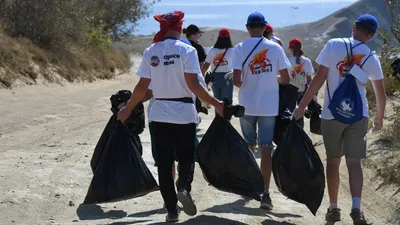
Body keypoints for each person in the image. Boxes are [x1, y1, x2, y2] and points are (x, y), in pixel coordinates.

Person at [117, 10, 224, 223]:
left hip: (159, 115)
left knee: (164, 164)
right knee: (186, 157)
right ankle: (183, 187)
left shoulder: (151, 51)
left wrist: (128, 108)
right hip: (183, 114)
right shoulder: (187, 51)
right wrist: (216, 103)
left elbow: (141, 88)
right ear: (180, 29)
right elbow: (194, 85)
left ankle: (172, 210)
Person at [293, 14, 386, 225]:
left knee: (333, 162)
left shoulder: (334, 45)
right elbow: (380, 94)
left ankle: (334, 208)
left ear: (354, 27)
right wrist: (378, 119)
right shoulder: (371, 57)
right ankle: (356, 208)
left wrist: (301, 106)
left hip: (331, 114)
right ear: (370, 35)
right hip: (358, 114)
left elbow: (318, 79)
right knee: (354, 163)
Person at [231, 12, 291, 210]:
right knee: (266, 148)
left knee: (249, 146)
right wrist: (271, 79)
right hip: (268, 106)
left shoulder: (240, 48)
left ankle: (250, 186)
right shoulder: (275, 48)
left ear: (248, 28)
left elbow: (237, 81)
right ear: (264, 27)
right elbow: (286, 78)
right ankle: (265, 194)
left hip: (247, 105)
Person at [287, 38, 315, 128]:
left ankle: (291, 133)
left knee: (289, 113)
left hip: (290, 90)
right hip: (303, 90)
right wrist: (312, 94)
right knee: (300, 113)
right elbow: (309, 79)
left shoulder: (287, 61)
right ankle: (300, 132)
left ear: (291, 49)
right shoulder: (306, 61)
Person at [201, 28, 234, 105]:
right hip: (227, 77)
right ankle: (226, 116)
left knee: (217, 101)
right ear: (229, 38)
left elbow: (205, 66)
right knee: (227, 101)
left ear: (219, 37)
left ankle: (218, 116)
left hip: (215, 77)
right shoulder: (232, 50)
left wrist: (201, 78)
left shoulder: (212, 50)